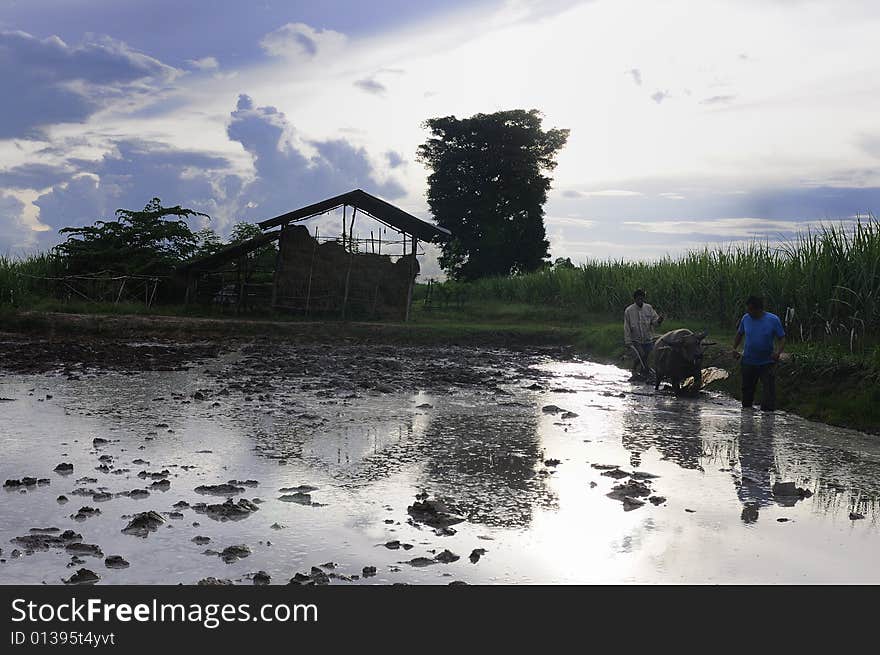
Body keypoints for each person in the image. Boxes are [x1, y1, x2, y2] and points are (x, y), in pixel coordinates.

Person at [732, 295, 786, 411]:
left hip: (767, 362)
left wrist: (778, 352)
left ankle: (768, 420)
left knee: (768, 393)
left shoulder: (773, 320)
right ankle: (746, 421)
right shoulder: (745, 318)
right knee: (747, 393)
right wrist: (734, 348)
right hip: (748, 361)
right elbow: (739, 334)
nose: (749, 312)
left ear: (759, 309)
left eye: (751, 310)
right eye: (748, 310)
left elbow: (782, 338)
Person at [624, 289, 663, 380]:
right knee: (641, 354)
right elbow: (627, 327)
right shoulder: (629, 311)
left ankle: (642, 369)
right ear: (635, 299)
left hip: (647, 338)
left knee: (647, 354)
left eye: (642, 299)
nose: (640, 301)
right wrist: (628, 341)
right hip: (636, 339)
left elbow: (654, 322)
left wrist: (659, 320)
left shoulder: (648, 308)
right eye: (638, 299)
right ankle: (641, 369)